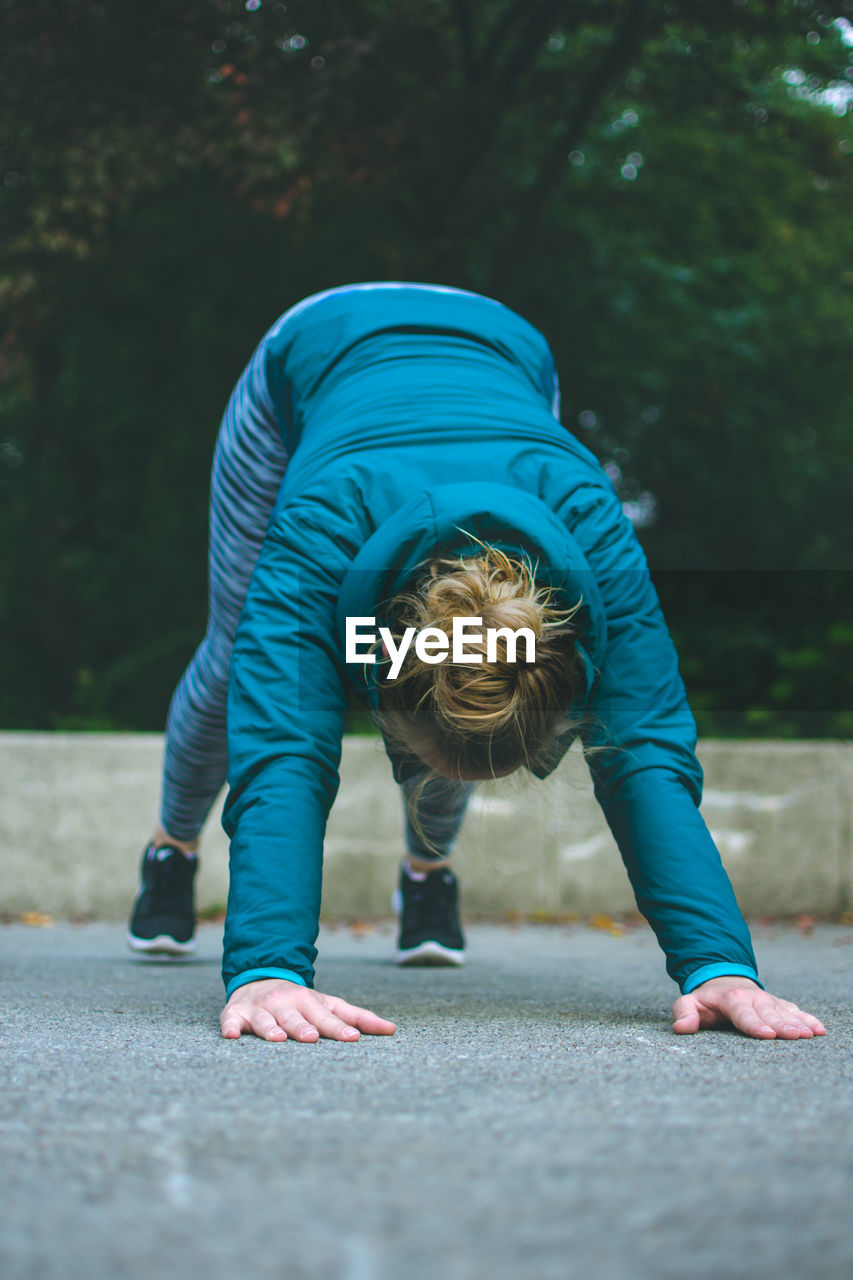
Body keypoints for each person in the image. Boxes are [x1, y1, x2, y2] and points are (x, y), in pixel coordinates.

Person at [127, 281, 826, 1045]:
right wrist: (266, 968)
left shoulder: (590, 528)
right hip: (314, 352)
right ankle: (171, 851)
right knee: (238, 657)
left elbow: (644, 746)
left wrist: (718, 966)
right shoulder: (316, 530)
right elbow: (282, 743)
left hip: (508, 351)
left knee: (472, 688)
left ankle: (426, 878)